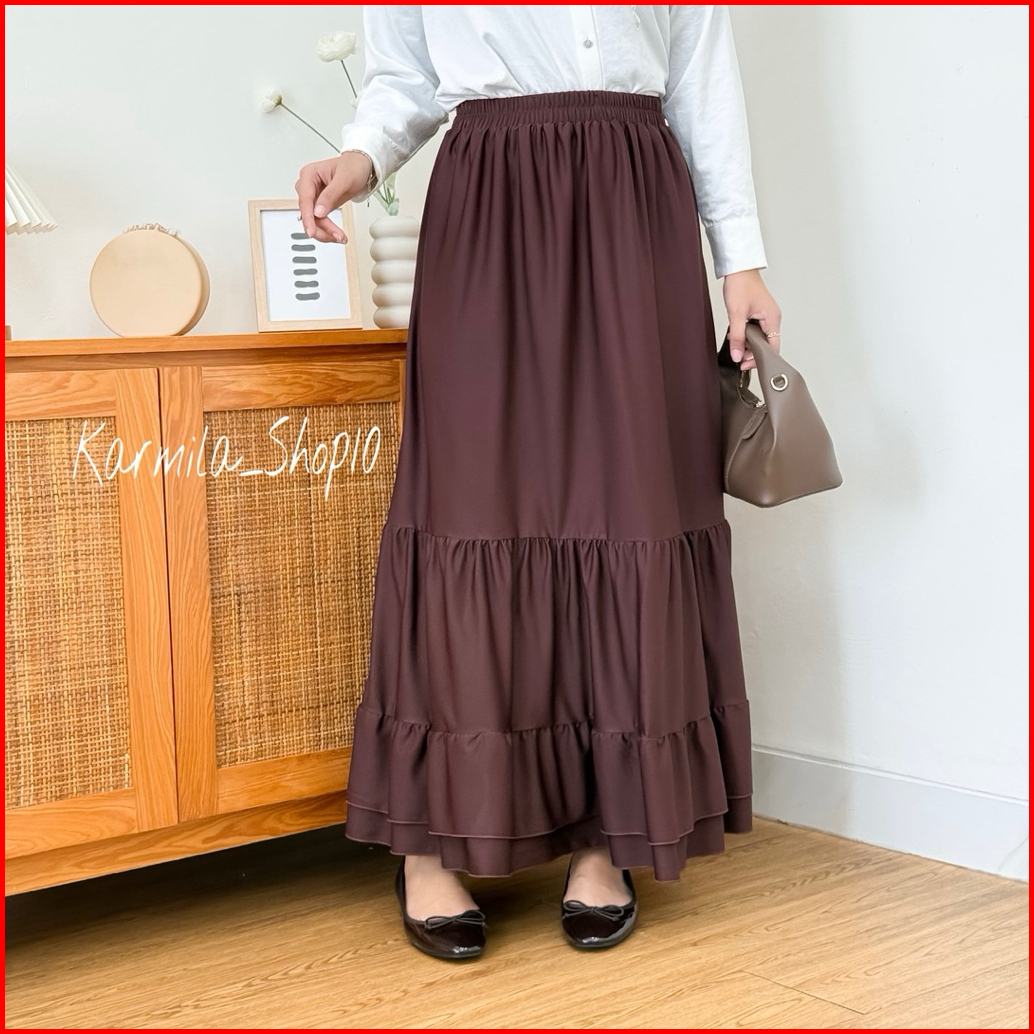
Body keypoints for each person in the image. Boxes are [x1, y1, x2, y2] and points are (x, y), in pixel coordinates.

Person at [296, 5, 780, 960]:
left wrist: (742, 262)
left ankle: (604, 836)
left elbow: (700, 82)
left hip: (637, 209)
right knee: (470, 511)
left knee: (630, 510)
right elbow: (402, 79)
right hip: (492, 204)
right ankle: (430, 840)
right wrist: (358, 159)